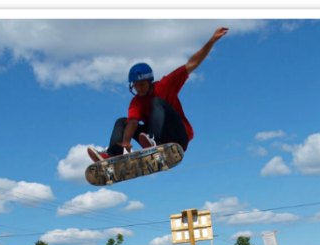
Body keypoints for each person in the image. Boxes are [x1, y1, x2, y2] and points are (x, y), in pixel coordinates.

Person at [87, 27, 229, 161]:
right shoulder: (136, 101)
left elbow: (192, 63)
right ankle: (113, 154)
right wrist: (125, 141)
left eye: (142, 85)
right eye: (136, 87)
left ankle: (154, 141)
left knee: (157, 102)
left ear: (150, 82)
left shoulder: (165, 85)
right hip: (152, 139)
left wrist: (212, 40)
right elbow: (133, 122)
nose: (140, 89)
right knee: (122, 121)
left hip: (179, 137)